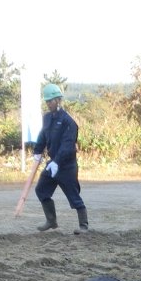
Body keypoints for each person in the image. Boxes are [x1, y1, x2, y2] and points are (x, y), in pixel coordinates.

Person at [32, 83, 88, 233]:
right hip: (53, 165)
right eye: (47, 101)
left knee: (73, 195)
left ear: (58, 100)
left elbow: (68, 145)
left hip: (67, 166)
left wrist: (57, 161)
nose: (48, 104)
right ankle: (51, 221)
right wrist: (37, 151)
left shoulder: (69, 122)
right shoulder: (47, 118)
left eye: (50, 101)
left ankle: (83, 226)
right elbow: (43, 135)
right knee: (41, 189)